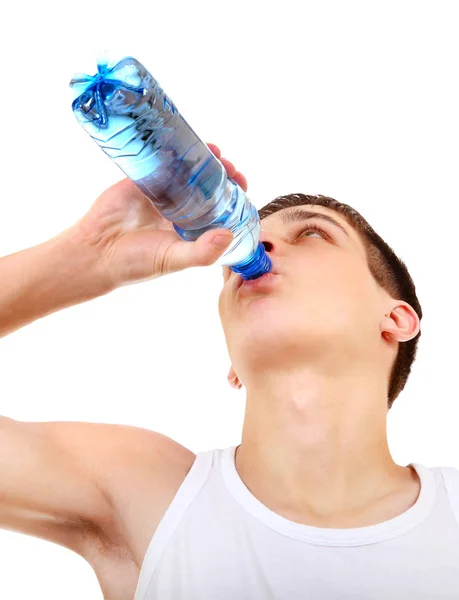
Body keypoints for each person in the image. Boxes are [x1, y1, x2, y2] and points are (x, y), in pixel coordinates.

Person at [0, 143, 458, 600]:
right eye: (250, 239)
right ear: (234, 364)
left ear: (396, 320)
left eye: (314, 234)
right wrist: (89, 256)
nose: (257, 246)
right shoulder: (147, 493)